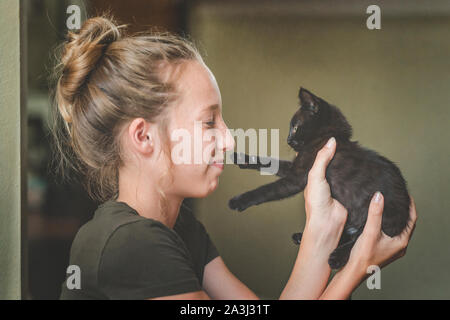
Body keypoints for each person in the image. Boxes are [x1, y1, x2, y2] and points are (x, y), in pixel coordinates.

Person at [52, 16, 417, 300]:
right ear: (144, 137)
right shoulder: (130, 242)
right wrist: (356, 268)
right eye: (209, 121)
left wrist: (323, 225)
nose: (228, 138)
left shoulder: (181, 231)